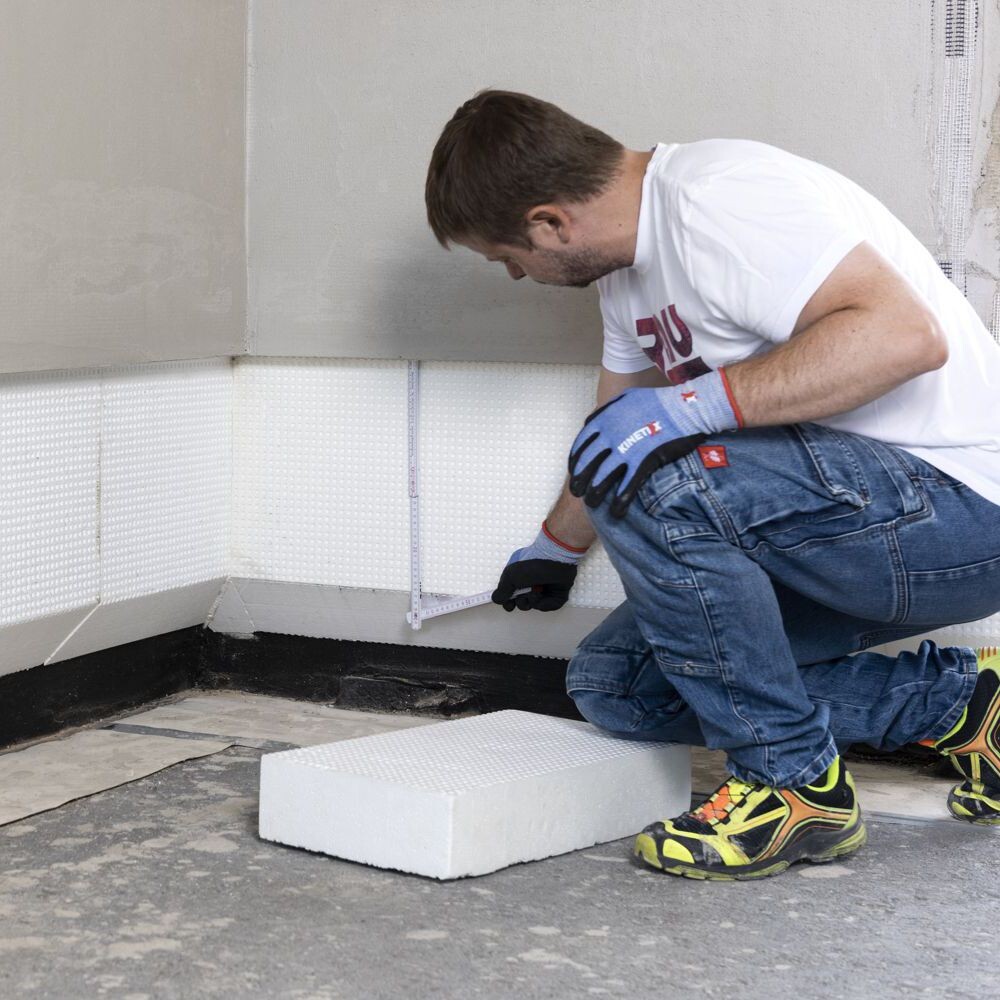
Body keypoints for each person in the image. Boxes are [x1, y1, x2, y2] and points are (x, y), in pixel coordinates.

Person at [424, 89, 1000, 880]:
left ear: (550, 222)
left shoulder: (721, 202)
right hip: (850, 528)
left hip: (962, 511)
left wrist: (686, 408)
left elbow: (904, 337)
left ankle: (791, 785)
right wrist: (556, 546)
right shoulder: (628, 277)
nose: (518, 275)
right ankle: (967, 709)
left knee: (664, 480)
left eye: (507, 257)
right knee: (618, 685)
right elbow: (616, 438)